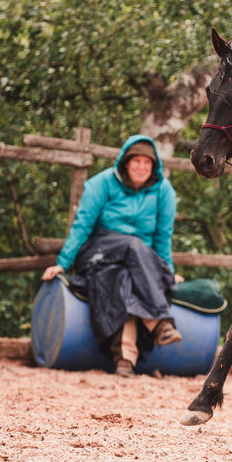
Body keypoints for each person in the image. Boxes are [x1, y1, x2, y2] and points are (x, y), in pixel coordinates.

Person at [42, 135, 183, 376]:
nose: (141, 167)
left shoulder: (164, 191)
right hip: (98, 251)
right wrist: (63, 263)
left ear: (154, 166)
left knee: (123, 279)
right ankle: (160, 322)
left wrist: (165, 272)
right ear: (125, 163)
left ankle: (125, 360)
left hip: (137, 261)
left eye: (146, 162)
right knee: (132, 244)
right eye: (136, 161)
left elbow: (162, 237)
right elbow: (82, 226)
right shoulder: (102, 183)